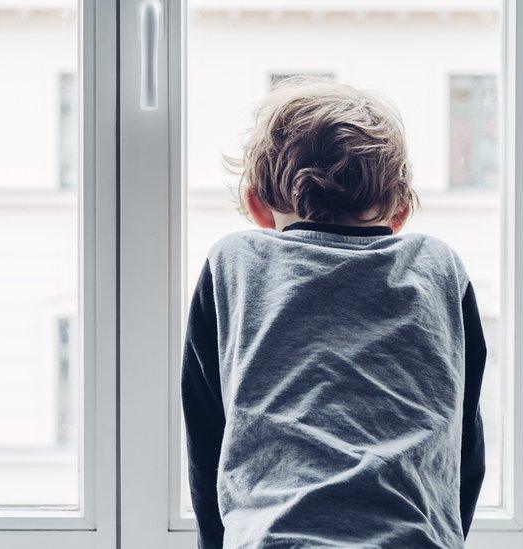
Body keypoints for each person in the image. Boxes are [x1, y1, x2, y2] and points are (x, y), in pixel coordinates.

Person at [182, 78, 486, 548]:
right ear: (401, 210)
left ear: (256, 205)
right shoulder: (437, 267)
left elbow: (208, 441)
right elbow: (462, 441)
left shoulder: (236, 263)